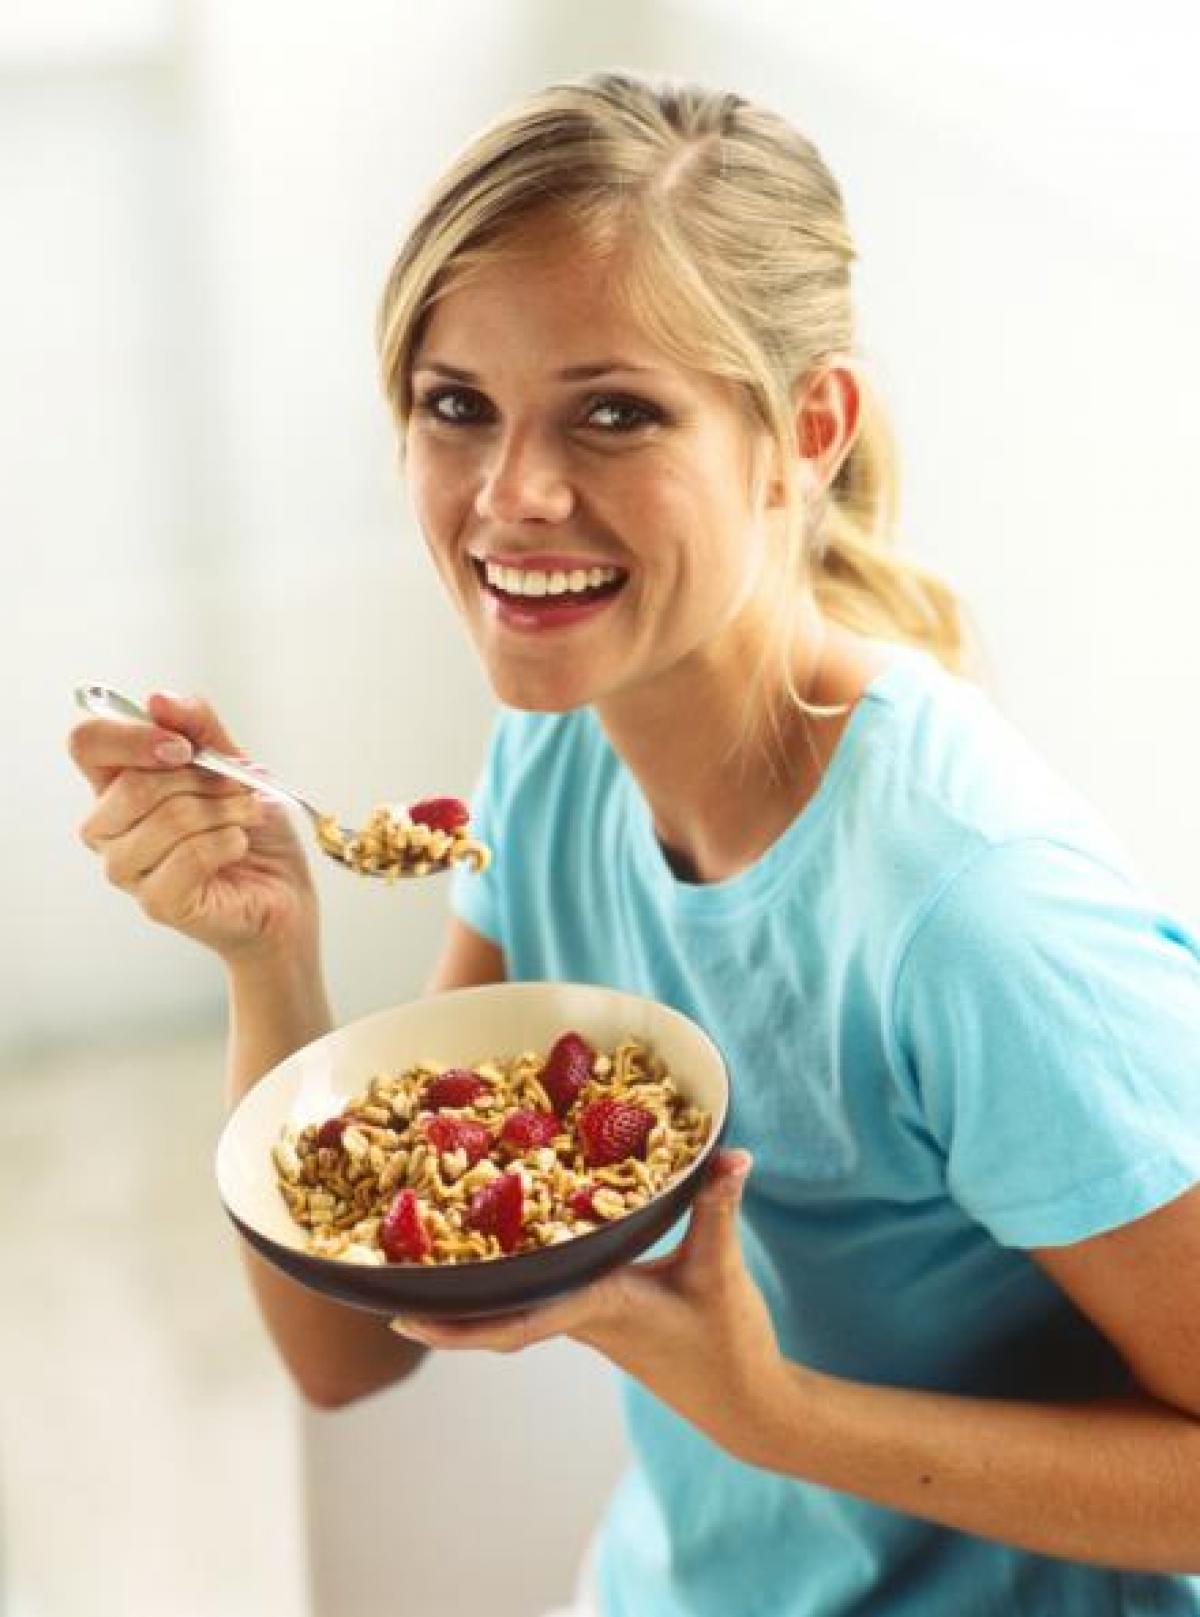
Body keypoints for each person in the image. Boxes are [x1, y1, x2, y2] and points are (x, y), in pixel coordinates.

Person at [68, 70, 1200, 1617]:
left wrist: (776, 1417)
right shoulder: (556, 756)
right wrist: (270, 957)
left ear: (805, 431)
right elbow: (347, 1351)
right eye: (456, 405)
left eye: (615, 412)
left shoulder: (971, 911)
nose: (511, 494)